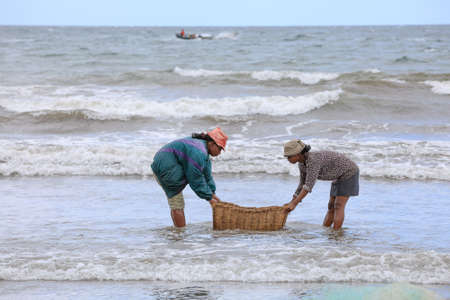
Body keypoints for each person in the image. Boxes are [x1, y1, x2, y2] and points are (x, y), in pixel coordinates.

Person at [151, 127, 228, 227]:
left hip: (169, 163)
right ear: (211, 143)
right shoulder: (199, 152)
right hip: (165, 167)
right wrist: (209, 199)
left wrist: (213, 194)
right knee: (177, 204)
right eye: (220, 149)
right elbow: (195, 179)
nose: (220, 152)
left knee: (177, 202)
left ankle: (179, 231)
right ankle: (180, 234)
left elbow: (207, 175)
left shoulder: (202, 150)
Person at [283, 139, 359, 230]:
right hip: (338, 175)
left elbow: (308, 186)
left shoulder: (313, 160)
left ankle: (336, 234)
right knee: (331, 206)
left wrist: (294, 204)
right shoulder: (302, 164)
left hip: (349, 172)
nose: (288, 159)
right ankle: (326, 231)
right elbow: (302, 184)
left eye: (289, 156)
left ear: (298, 154)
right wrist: (292, 201)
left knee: (338, 205)